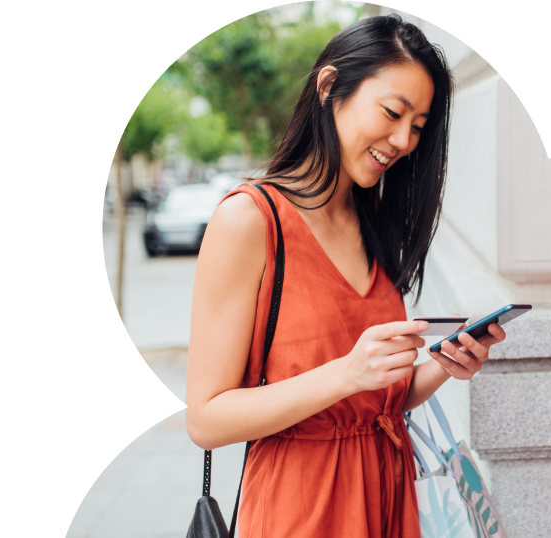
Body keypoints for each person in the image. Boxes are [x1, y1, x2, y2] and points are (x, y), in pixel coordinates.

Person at [184, 14, 505, 538]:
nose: (403, 140)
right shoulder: (249, 221)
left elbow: (375, 401)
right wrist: (344, 373)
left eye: (418, 127)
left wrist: (445, 365)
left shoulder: (372, 222)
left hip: (388, 496)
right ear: (330, 86)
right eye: (392, 112)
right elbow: (206, 419)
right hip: (302, 509)